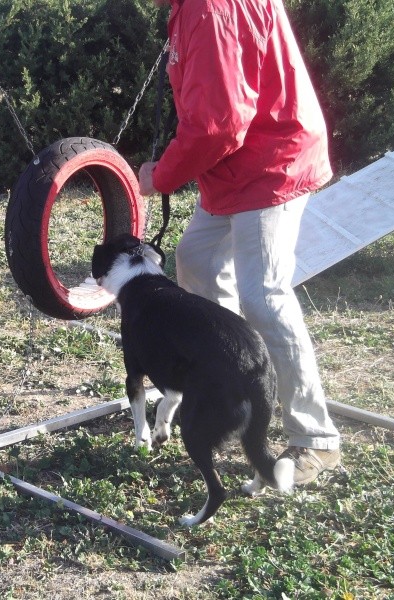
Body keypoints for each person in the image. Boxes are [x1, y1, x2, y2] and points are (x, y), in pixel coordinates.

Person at [139, 0, 341, 485]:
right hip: (236, 165)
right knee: (197, 261)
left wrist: (162, 176)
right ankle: (234, 384)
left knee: (263, 294)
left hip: (272, 161)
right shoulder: (192, 8)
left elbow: (219, 122)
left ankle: (316, 438)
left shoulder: (208, 9)